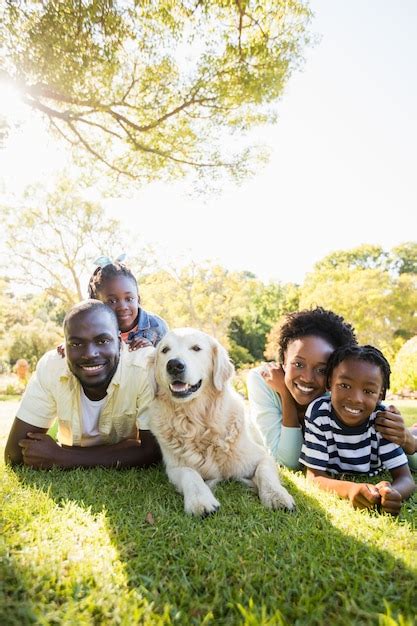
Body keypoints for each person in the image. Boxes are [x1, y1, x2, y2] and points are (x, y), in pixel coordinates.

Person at [4, 300, 162, 469]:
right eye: (76, 344)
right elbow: (15, 454)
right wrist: (126, 450)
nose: (90, 354)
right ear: (64, 346)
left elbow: (152, 451)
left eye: (102, 341)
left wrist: (62, 456)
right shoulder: (52, 367)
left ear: (119, 342)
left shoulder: (145, 366)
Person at [300, 345, 415, 515]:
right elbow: (314, 476)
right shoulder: (319, 414)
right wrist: (350, 490)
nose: (355, 399)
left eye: (368, 391)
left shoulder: (382, 420)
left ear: (380, 395)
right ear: (330, 383)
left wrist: (393, 493)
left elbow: (406, 479)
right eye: (345, 385)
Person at [247, 307, 357, 469]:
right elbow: (287, 461)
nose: (307, 378)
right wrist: (285, 394)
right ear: (284, 359)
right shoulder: (263, 380)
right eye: (298, 364)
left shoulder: (335, 392)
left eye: (322, 370)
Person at [88, 256, 168, 350]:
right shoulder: (92, 329)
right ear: (98, 305)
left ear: (138, 299)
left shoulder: (157, 326)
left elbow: (167, 358)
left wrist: (151, 351)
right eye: (112, 301)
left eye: (129, 299)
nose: (123, 307)